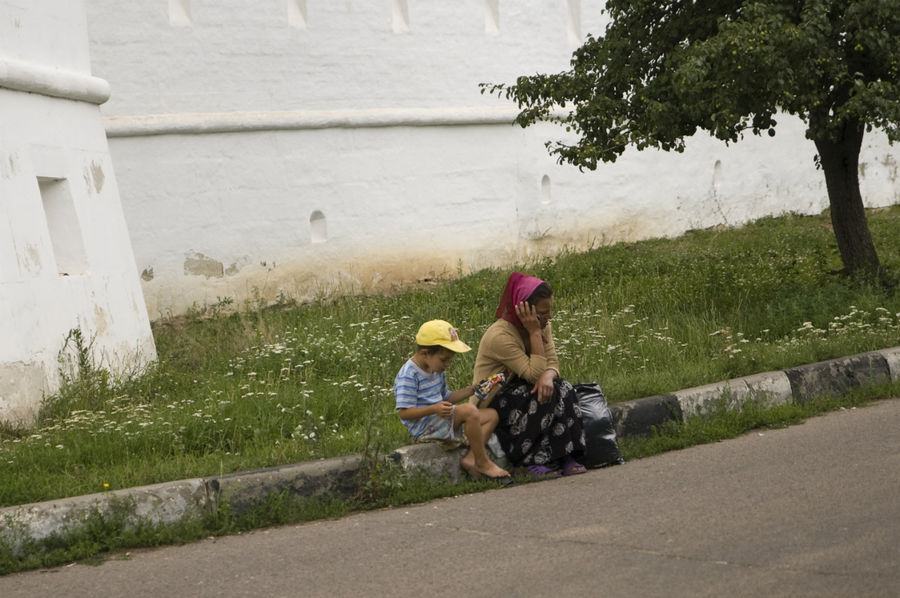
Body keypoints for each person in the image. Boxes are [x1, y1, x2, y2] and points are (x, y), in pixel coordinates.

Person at [472, 272, 587, 477]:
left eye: (550, 310)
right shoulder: (500, 336)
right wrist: (534, 333)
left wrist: (549, 376)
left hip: (524, 387)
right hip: (497, 398)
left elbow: (552, 363)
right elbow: (533, 374)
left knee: (563, 388)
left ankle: (566, 455)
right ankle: (527, 461)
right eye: (544, 312)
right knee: (537, 395)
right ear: (525, 310)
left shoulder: (544, 325)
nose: (549, 317)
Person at [394, 319, 512, 484]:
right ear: (425, 353)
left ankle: (471, 459)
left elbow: (446, 397)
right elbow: (404, 413)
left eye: (450, 360)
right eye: (444, 360)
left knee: (491, 415)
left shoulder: (436, 370)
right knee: (469, 411)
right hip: (425, 428)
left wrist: (472, 389)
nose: (448, 364)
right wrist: (434, 409)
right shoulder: (409, 374)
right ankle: (483, 462)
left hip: (441, 419)